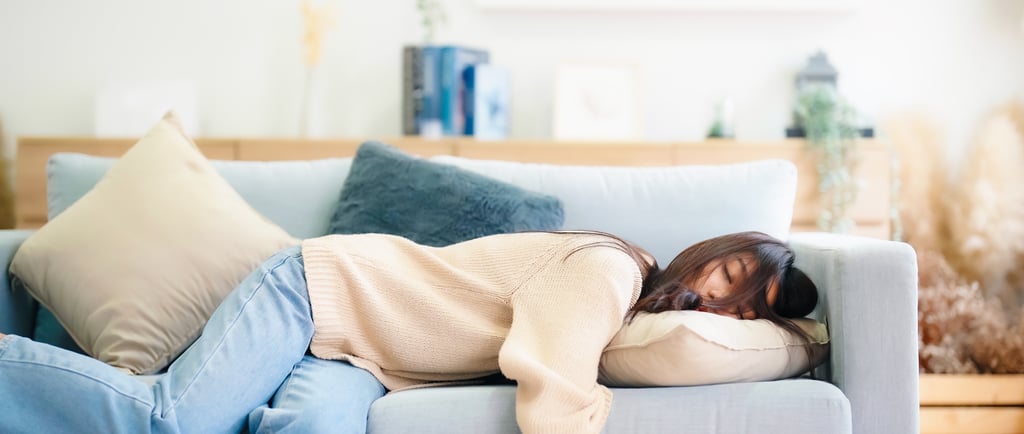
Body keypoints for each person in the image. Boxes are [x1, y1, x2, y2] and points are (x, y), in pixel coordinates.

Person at [0, 230, 818, 434]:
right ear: (711, 252)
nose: (731, 305)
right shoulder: (611, 269)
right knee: (173, 419)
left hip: (368, 358)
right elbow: (553, 375)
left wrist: (806, 339)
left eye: (754, 307)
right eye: (735, 276)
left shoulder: (639, 312)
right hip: (318, 294)